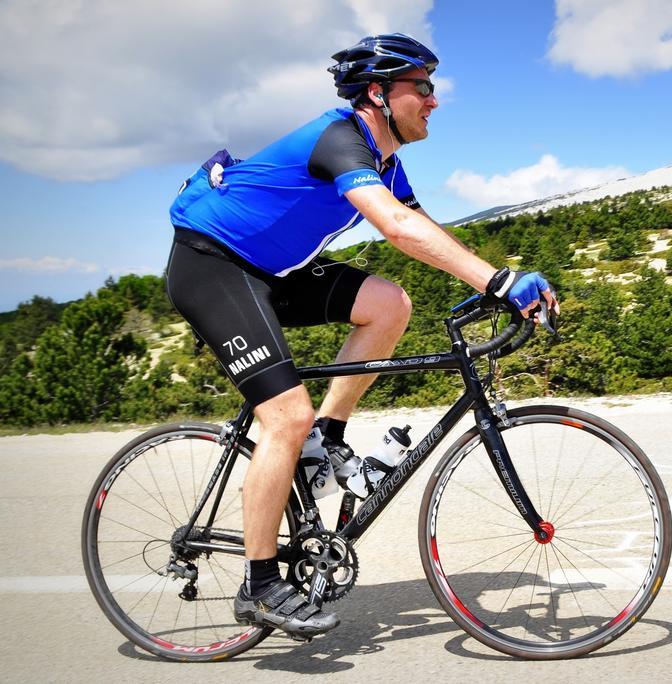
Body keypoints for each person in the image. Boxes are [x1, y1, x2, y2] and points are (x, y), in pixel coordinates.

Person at [164, 33, 557, 639]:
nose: (433, 100)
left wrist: (495, 282)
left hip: (273, 272)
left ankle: (328, 436)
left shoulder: (387, 162)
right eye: (421, 88)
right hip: (213, 264)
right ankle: (260, 583)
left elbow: (424, 225)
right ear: (378, 93)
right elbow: (396, 227)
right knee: (283, 418)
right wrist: (500, 281)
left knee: (389, 304)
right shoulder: (341, 139)